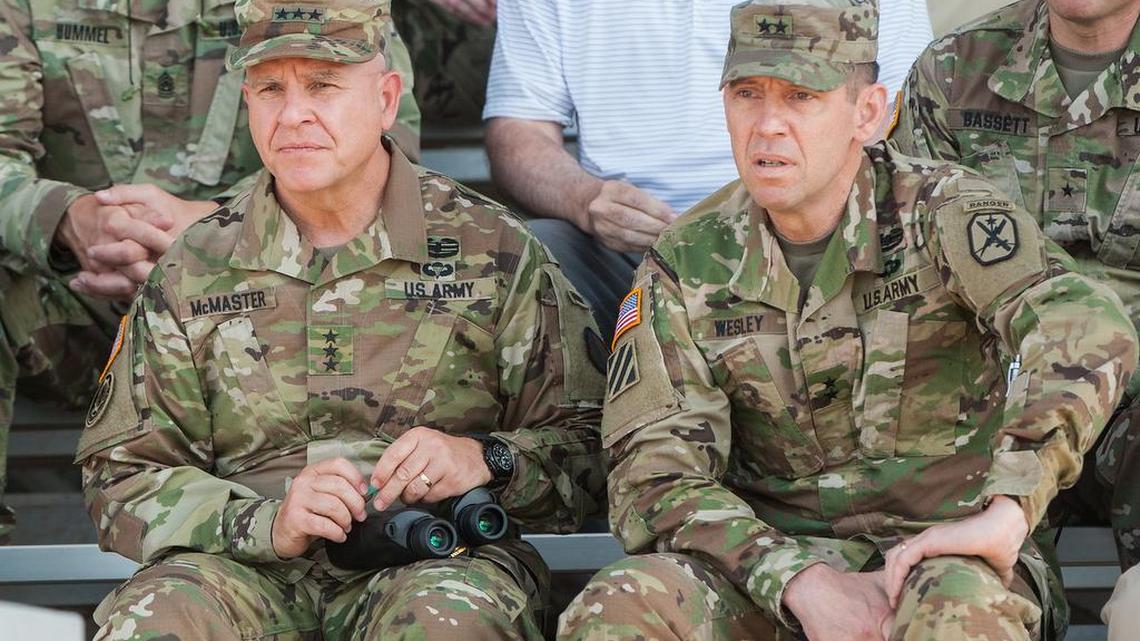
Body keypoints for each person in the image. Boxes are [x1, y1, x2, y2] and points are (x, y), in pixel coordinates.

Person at [556, 1, 1138, 640]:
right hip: (766, 565)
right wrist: (799, 582)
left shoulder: (943, 213)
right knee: (619, 604)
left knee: (956, 611)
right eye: (747, 93)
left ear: (868, 113)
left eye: (802, 96)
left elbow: (1086, 324)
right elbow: (653, 468)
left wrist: (1011, 506)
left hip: (948, 548)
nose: (769, 125)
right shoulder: (685, 262)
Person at [76, 0, 606, 638]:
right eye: (270, 88)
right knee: (155, 621)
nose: (294, 114)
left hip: (435, 560)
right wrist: (266, 522)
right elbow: (122, 475)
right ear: (248, 102)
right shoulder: (195, 265)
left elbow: (589, 450)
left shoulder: (492, 248)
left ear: (386, 99)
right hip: (241, 568)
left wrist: (485, 458)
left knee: (450, 623)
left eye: (323, 85)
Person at [0, 0, 420, 544]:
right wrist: (66, 219)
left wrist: (216, 226)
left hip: (263, 310)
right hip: (76, 305)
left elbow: (389, 135)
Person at [890, 0, 1140, 634]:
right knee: (955, 594)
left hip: (1135, 400)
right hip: (987, 399)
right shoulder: (954, 73)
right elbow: (905, 264)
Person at [483, 0, 933, 339]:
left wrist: (786, 215)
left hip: (808, 233)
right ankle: (555, 441)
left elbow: (892, 126)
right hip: (627, 243)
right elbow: (517, 132)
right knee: (522, 252)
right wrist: (586, 199)